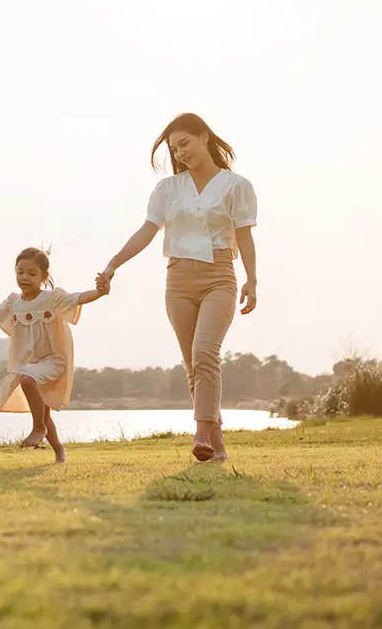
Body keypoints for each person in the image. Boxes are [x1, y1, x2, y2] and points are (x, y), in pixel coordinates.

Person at [97, 113, 260, 462]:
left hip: (219, 276)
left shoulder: (236, 186)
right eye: (174, 149)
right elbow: (146, 231)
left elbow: (244, 235)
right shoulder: (168, 189)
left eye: (185, 143)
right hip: (178, 280)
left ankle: (200, 433)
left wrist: (252, 279)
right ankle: (215, 446)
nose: (180, 152)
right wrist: (113, 264)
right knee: (193, 365)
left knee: (205, 354)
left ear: (204, 138)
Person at [0, 248, 106, 464]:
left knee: (27, 381)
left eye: (31, 273)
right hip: (31, 364)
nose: (24, 278)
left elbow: (79, 298)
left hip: (53, 361)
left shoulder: (52, 298)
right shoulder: (13, 302)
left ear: (44, 277)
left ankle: (38, 428)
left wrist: (100, 292)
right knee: (44, 411)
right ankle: (59, 452)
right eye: (20, 272)